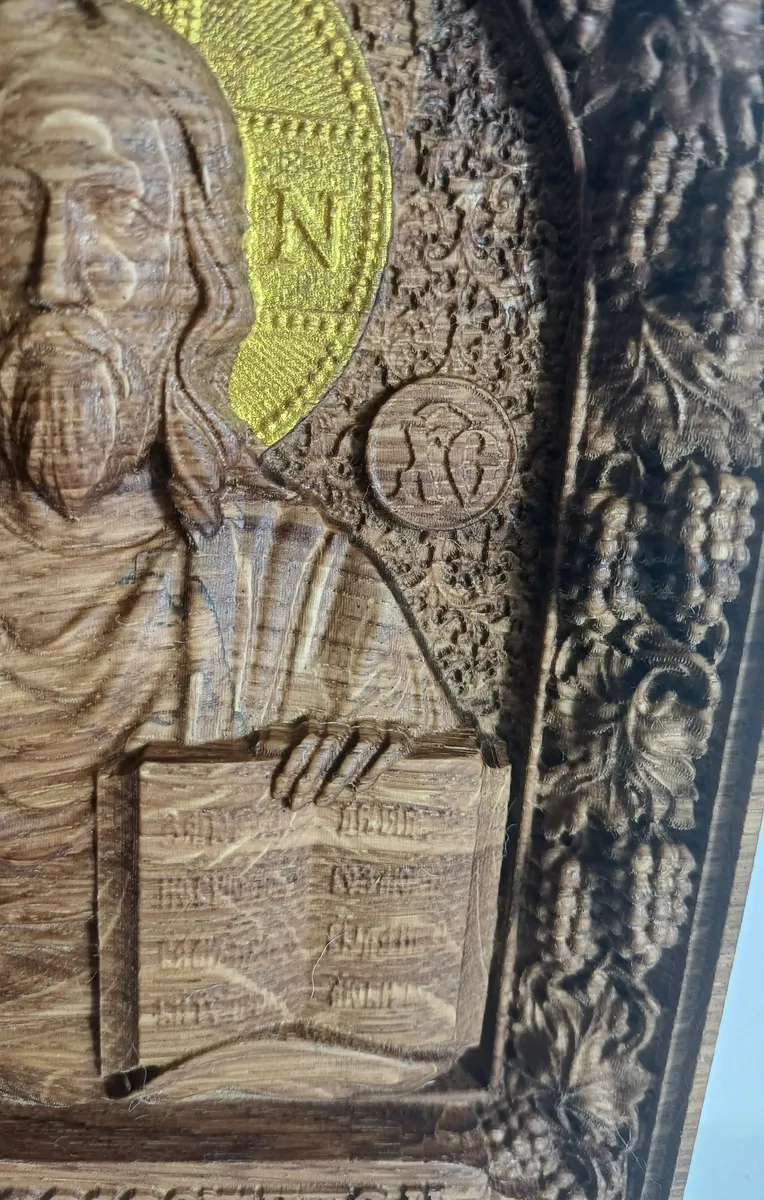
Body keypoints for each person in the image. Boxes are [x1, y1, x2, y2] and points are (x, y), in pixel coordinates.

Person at [0, 0, 461, 1102]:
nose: (55, 276)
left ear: (198, 265)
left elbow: (420, 1008)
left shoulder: (307, 594)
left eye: (115, 208)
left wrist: (374, 804)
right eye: (9, 211)